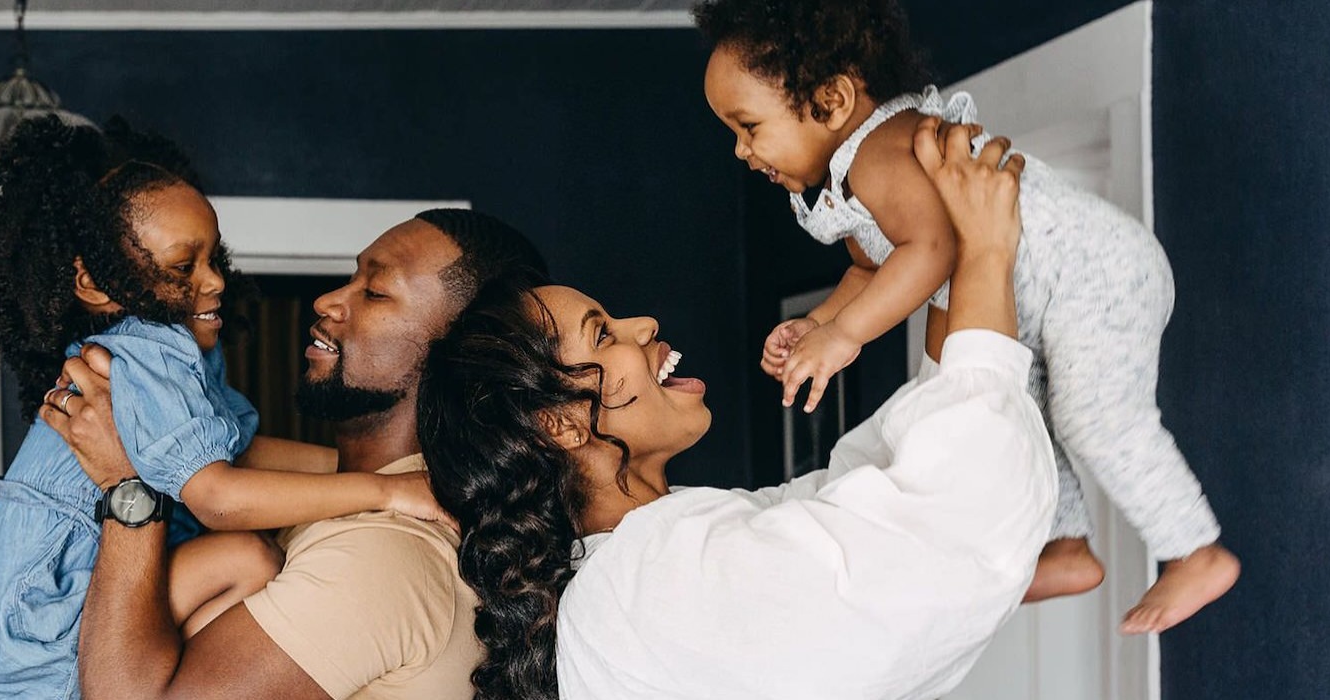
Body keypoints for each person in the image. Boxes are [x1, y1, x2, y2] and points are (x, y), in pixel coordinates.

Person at [417, 118, 1052, 700]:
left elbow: (868, 487)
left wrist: (948, 267)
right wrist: (989, 252)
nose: (645, 324)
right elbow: (950, 526)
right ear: (559, 423)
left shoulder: (653, 557)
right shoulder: (649, 581)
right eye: (604, 333)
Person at [696, 0, 1238, 631]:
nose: (740, 151)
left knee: (1093, 418)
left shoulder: (885, 150)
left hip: (1092, 272)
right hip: (1034, 301)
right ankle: (1064, 547)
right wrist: (819, 323)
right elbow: (872, 270)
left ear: (833, 100)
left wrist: (844, 335)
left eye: (748, 126)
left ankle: (1194, 549)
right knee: (1018, 417)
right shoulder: (852, 179)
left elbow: (932, 249)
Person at [0, 116, 450, 699]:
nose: (214, 281)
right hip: (34, 637)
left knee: (244, 560)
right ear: (95, 285)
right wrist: (388, 493)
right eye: (182, 267)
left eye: (215, 258)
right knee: (247, 558)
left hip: (5, 643)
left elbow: (242, 452)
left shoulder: (174, 352)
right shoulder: (142, 354)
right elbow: (218, 497)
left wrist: (400, 474)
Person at [40, 209, 550, 699]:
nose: (328, 300)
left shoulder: (377, 555)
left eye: (373, 292)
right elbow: (237, 460)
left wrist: (128, 483)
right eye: (350, 278)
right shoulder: (378, 498)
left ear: (461, 351)